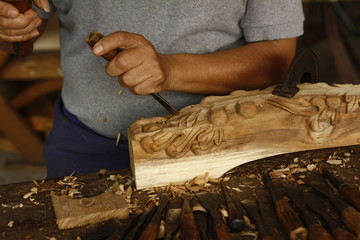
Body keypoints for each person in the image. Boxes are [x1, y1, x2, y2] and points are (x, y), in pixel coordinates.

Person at [0, 0, 304, 178]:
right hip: (88, 146)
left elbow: (278, 59)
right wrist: (12, 23)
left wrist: (171, 70)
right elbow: (20, 38)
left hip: (222, 148)